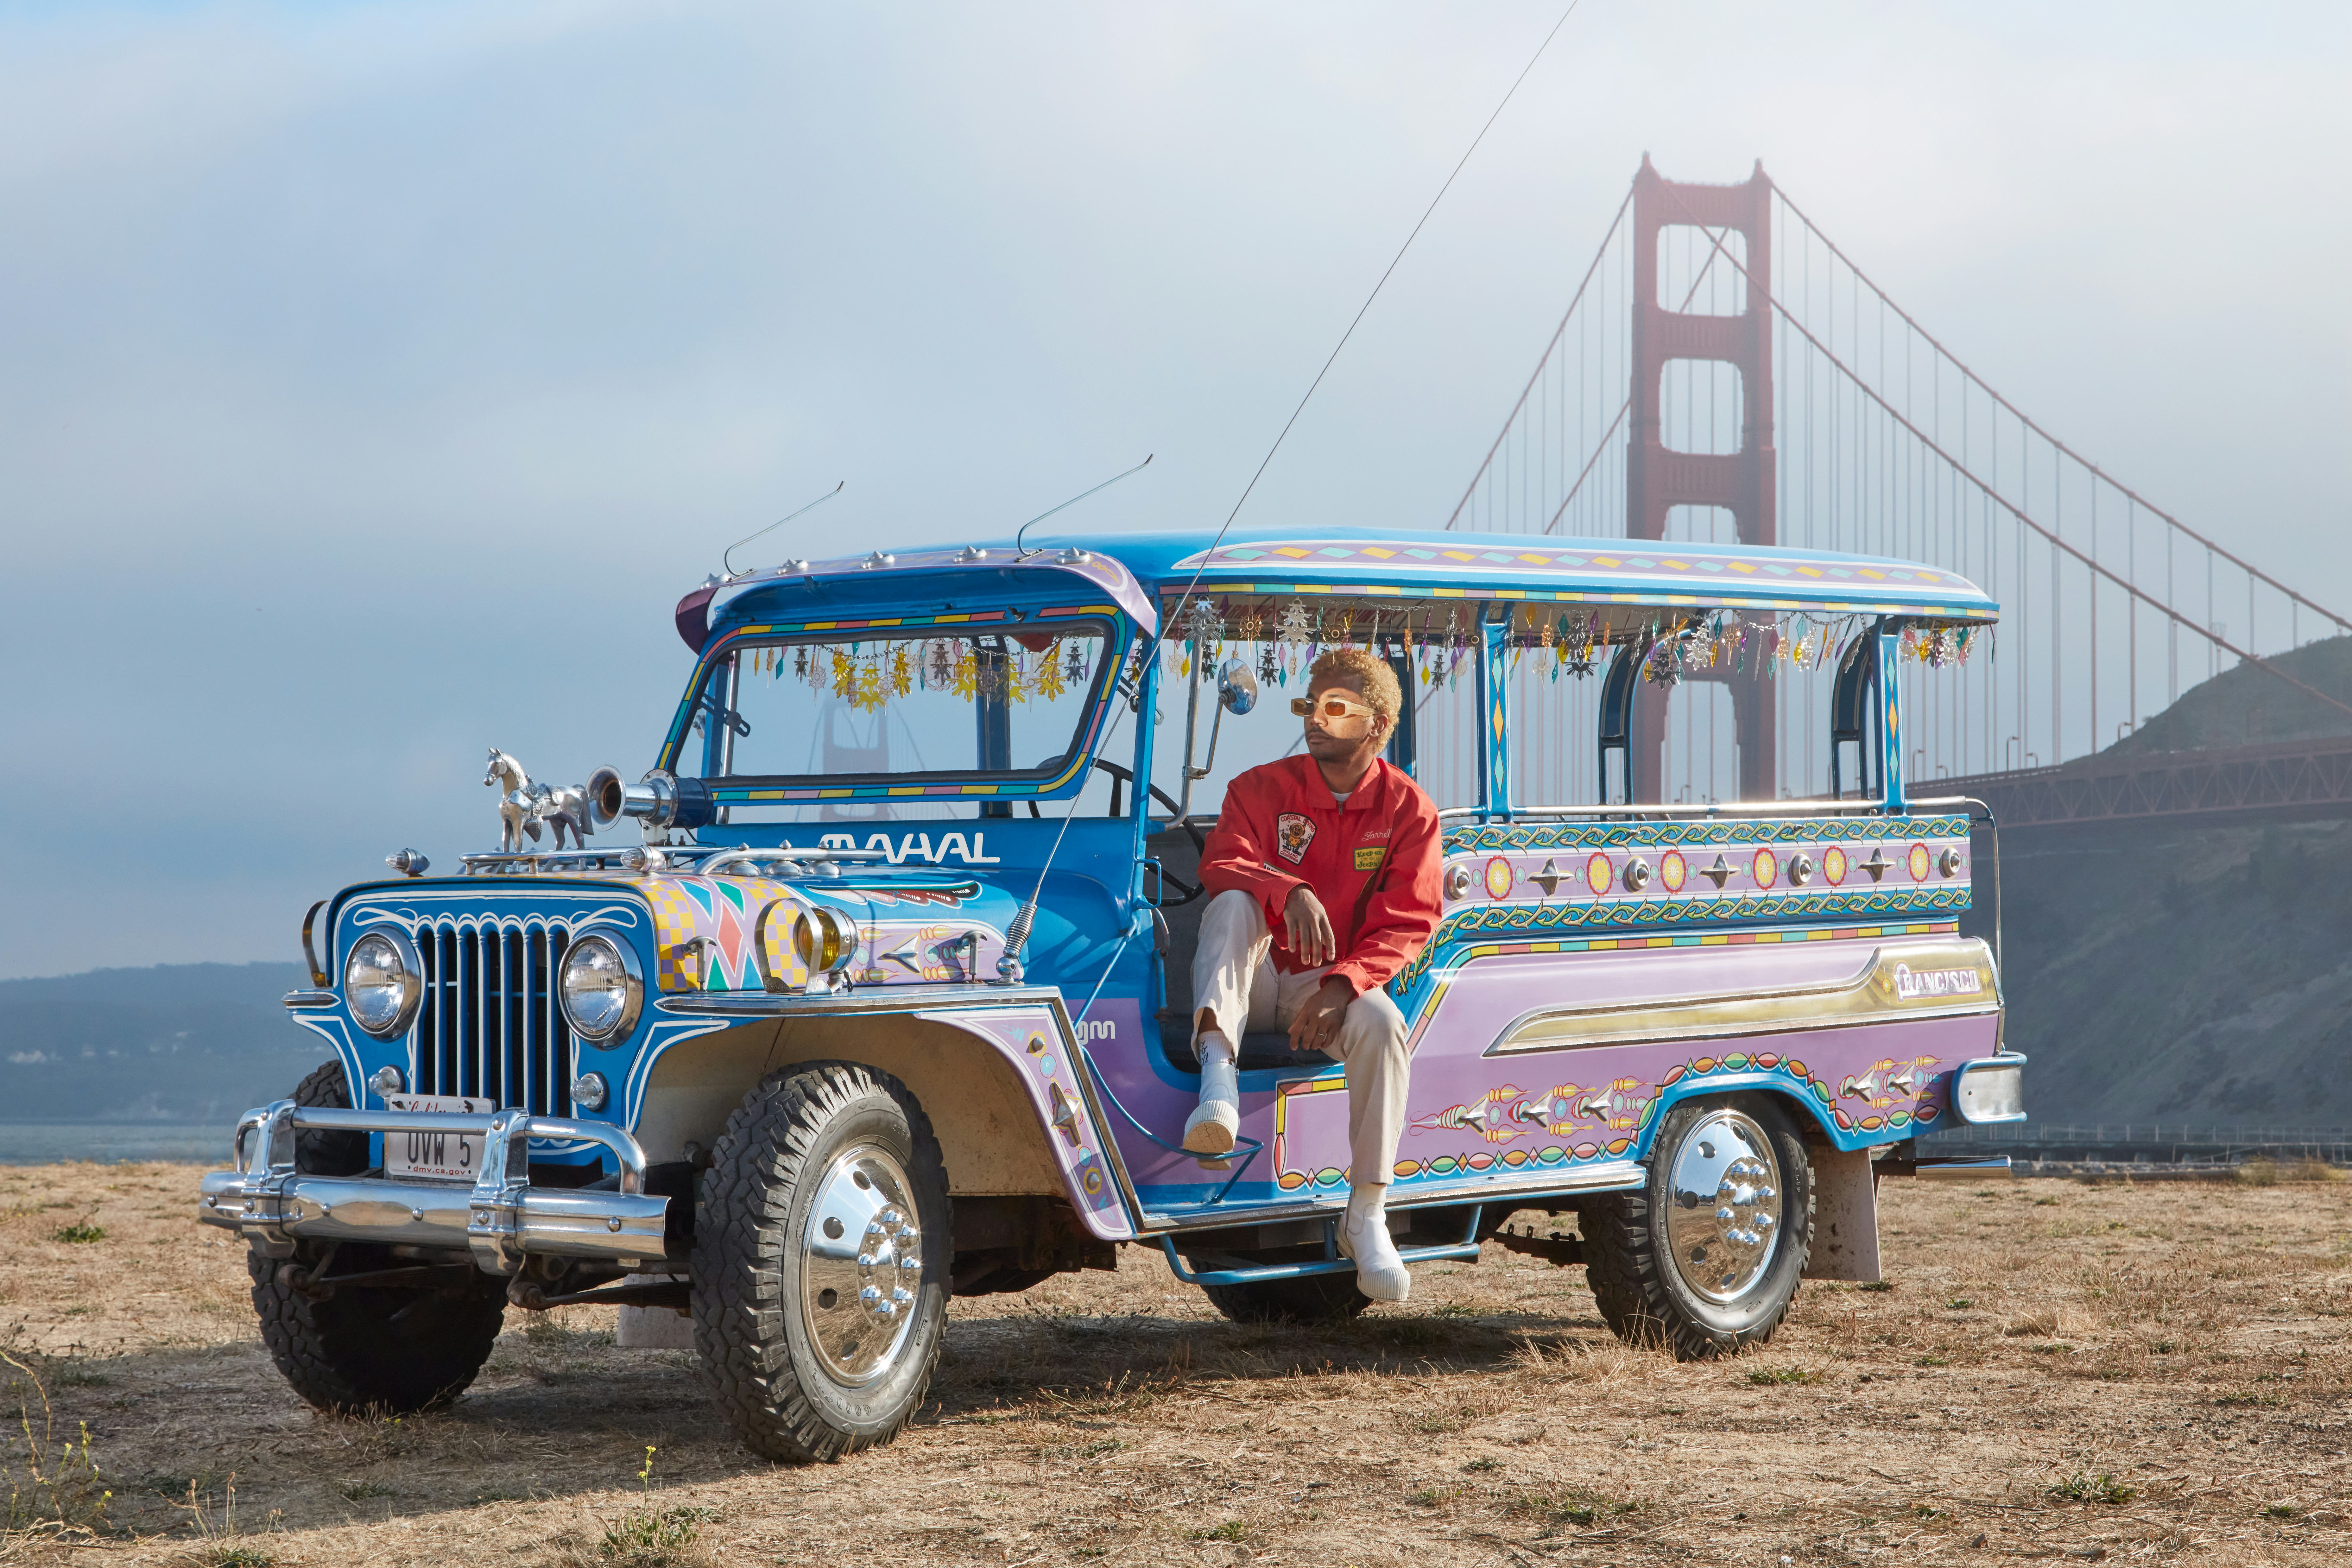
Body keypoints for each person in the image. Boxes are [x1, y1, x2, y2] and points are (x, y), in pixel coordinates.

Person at [1182, 646, 1442, 1302]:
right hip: (1253, 972)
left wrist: (1342, 985)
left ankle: (1367, 1212)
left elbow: (1408, 921)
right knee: (1233, 905)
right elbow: (1223, 860)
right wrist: (1288, 888)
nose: (1315, 719)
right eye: (1309, 704)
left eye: (1335, 707)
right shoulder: (1258, 788)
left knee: (1384, 1025)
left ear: (1378, 723)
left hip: (1325, 986)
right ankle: (1218, 1079)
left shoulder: (1409, 809)